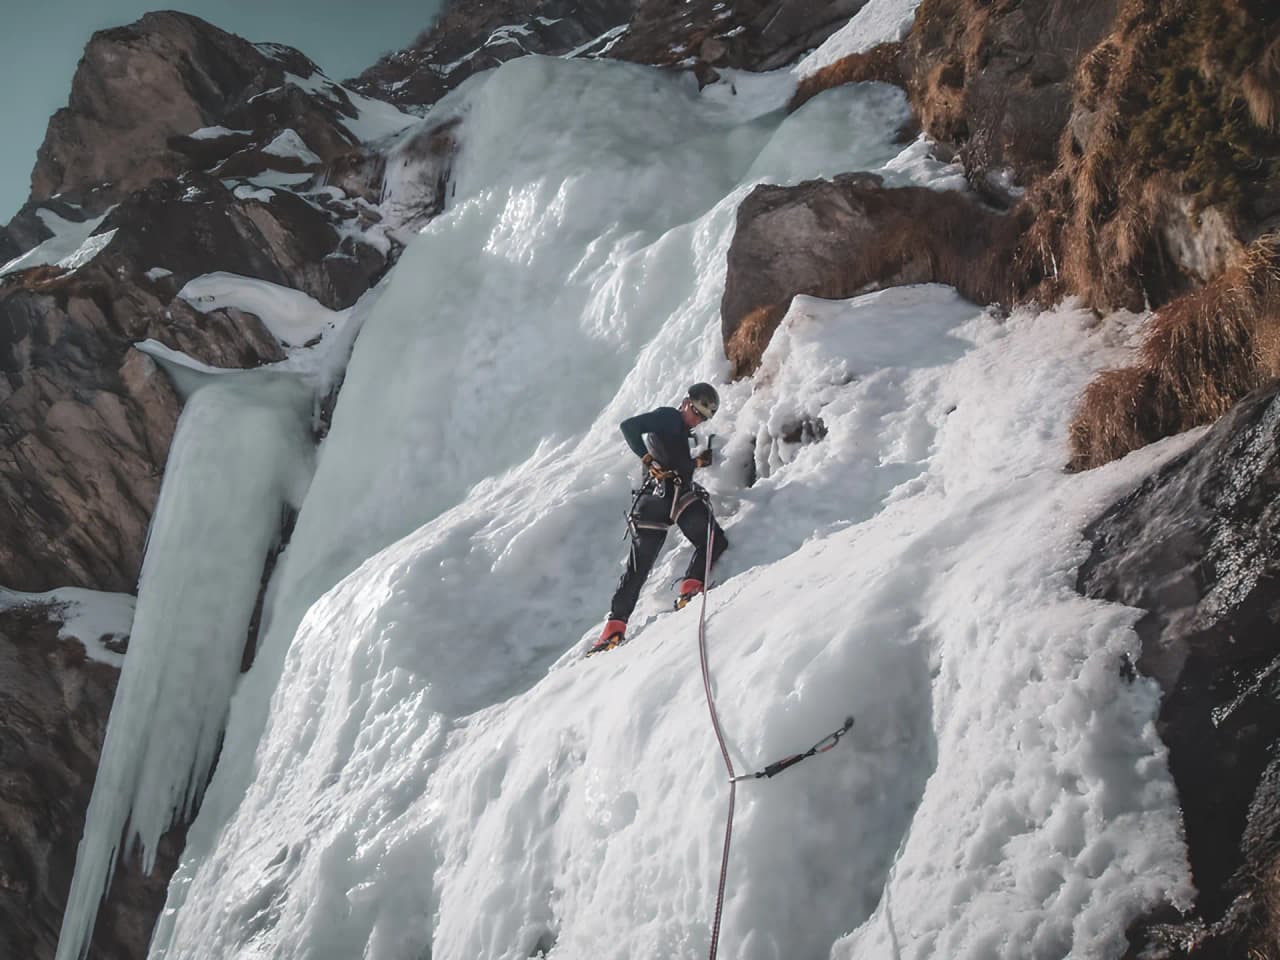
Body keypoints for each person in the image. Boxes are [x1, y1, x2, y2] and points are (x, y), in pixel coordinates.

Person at [591, 382, 729, 654]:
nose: (697, 420)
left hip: (655, 503)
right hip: (672, 499)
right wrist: (647, 459)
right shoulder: (669, 416)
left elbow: (673, 461)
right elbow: (629, 427)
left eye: (703, 418)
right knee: (712, 541)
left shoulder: (678, 429)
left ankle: (615, 627)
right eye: (696, 412)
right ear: (686, 403)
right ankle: (690, 587)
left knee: (640, 569)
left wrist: (697, 463)